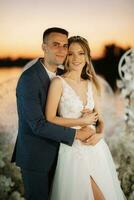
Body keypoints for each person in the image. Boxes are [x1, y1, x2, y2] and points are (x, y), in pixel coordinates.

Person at [11, 28, 96, 200]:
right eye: (55, 45)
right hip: (37, 156)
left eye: (65, 46)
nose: (62, 50)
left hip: (62, 155)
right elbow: (38, 125)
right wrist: (77, 134)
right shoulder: (29, 79)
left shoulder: (61, 76)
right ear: (44, 46)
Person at [45, 36, 126, 200]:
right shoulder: (58, 83)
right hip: (72, 148)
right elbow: (50, 118)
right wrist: (81, 121)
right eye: (71, 54)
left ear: (87, 57)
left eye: (81, 53)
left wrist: (100, 134)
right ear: (66, 56)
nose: (76, 58)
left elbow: (100, 120)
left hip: (95, 147)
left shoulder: (91, 84)